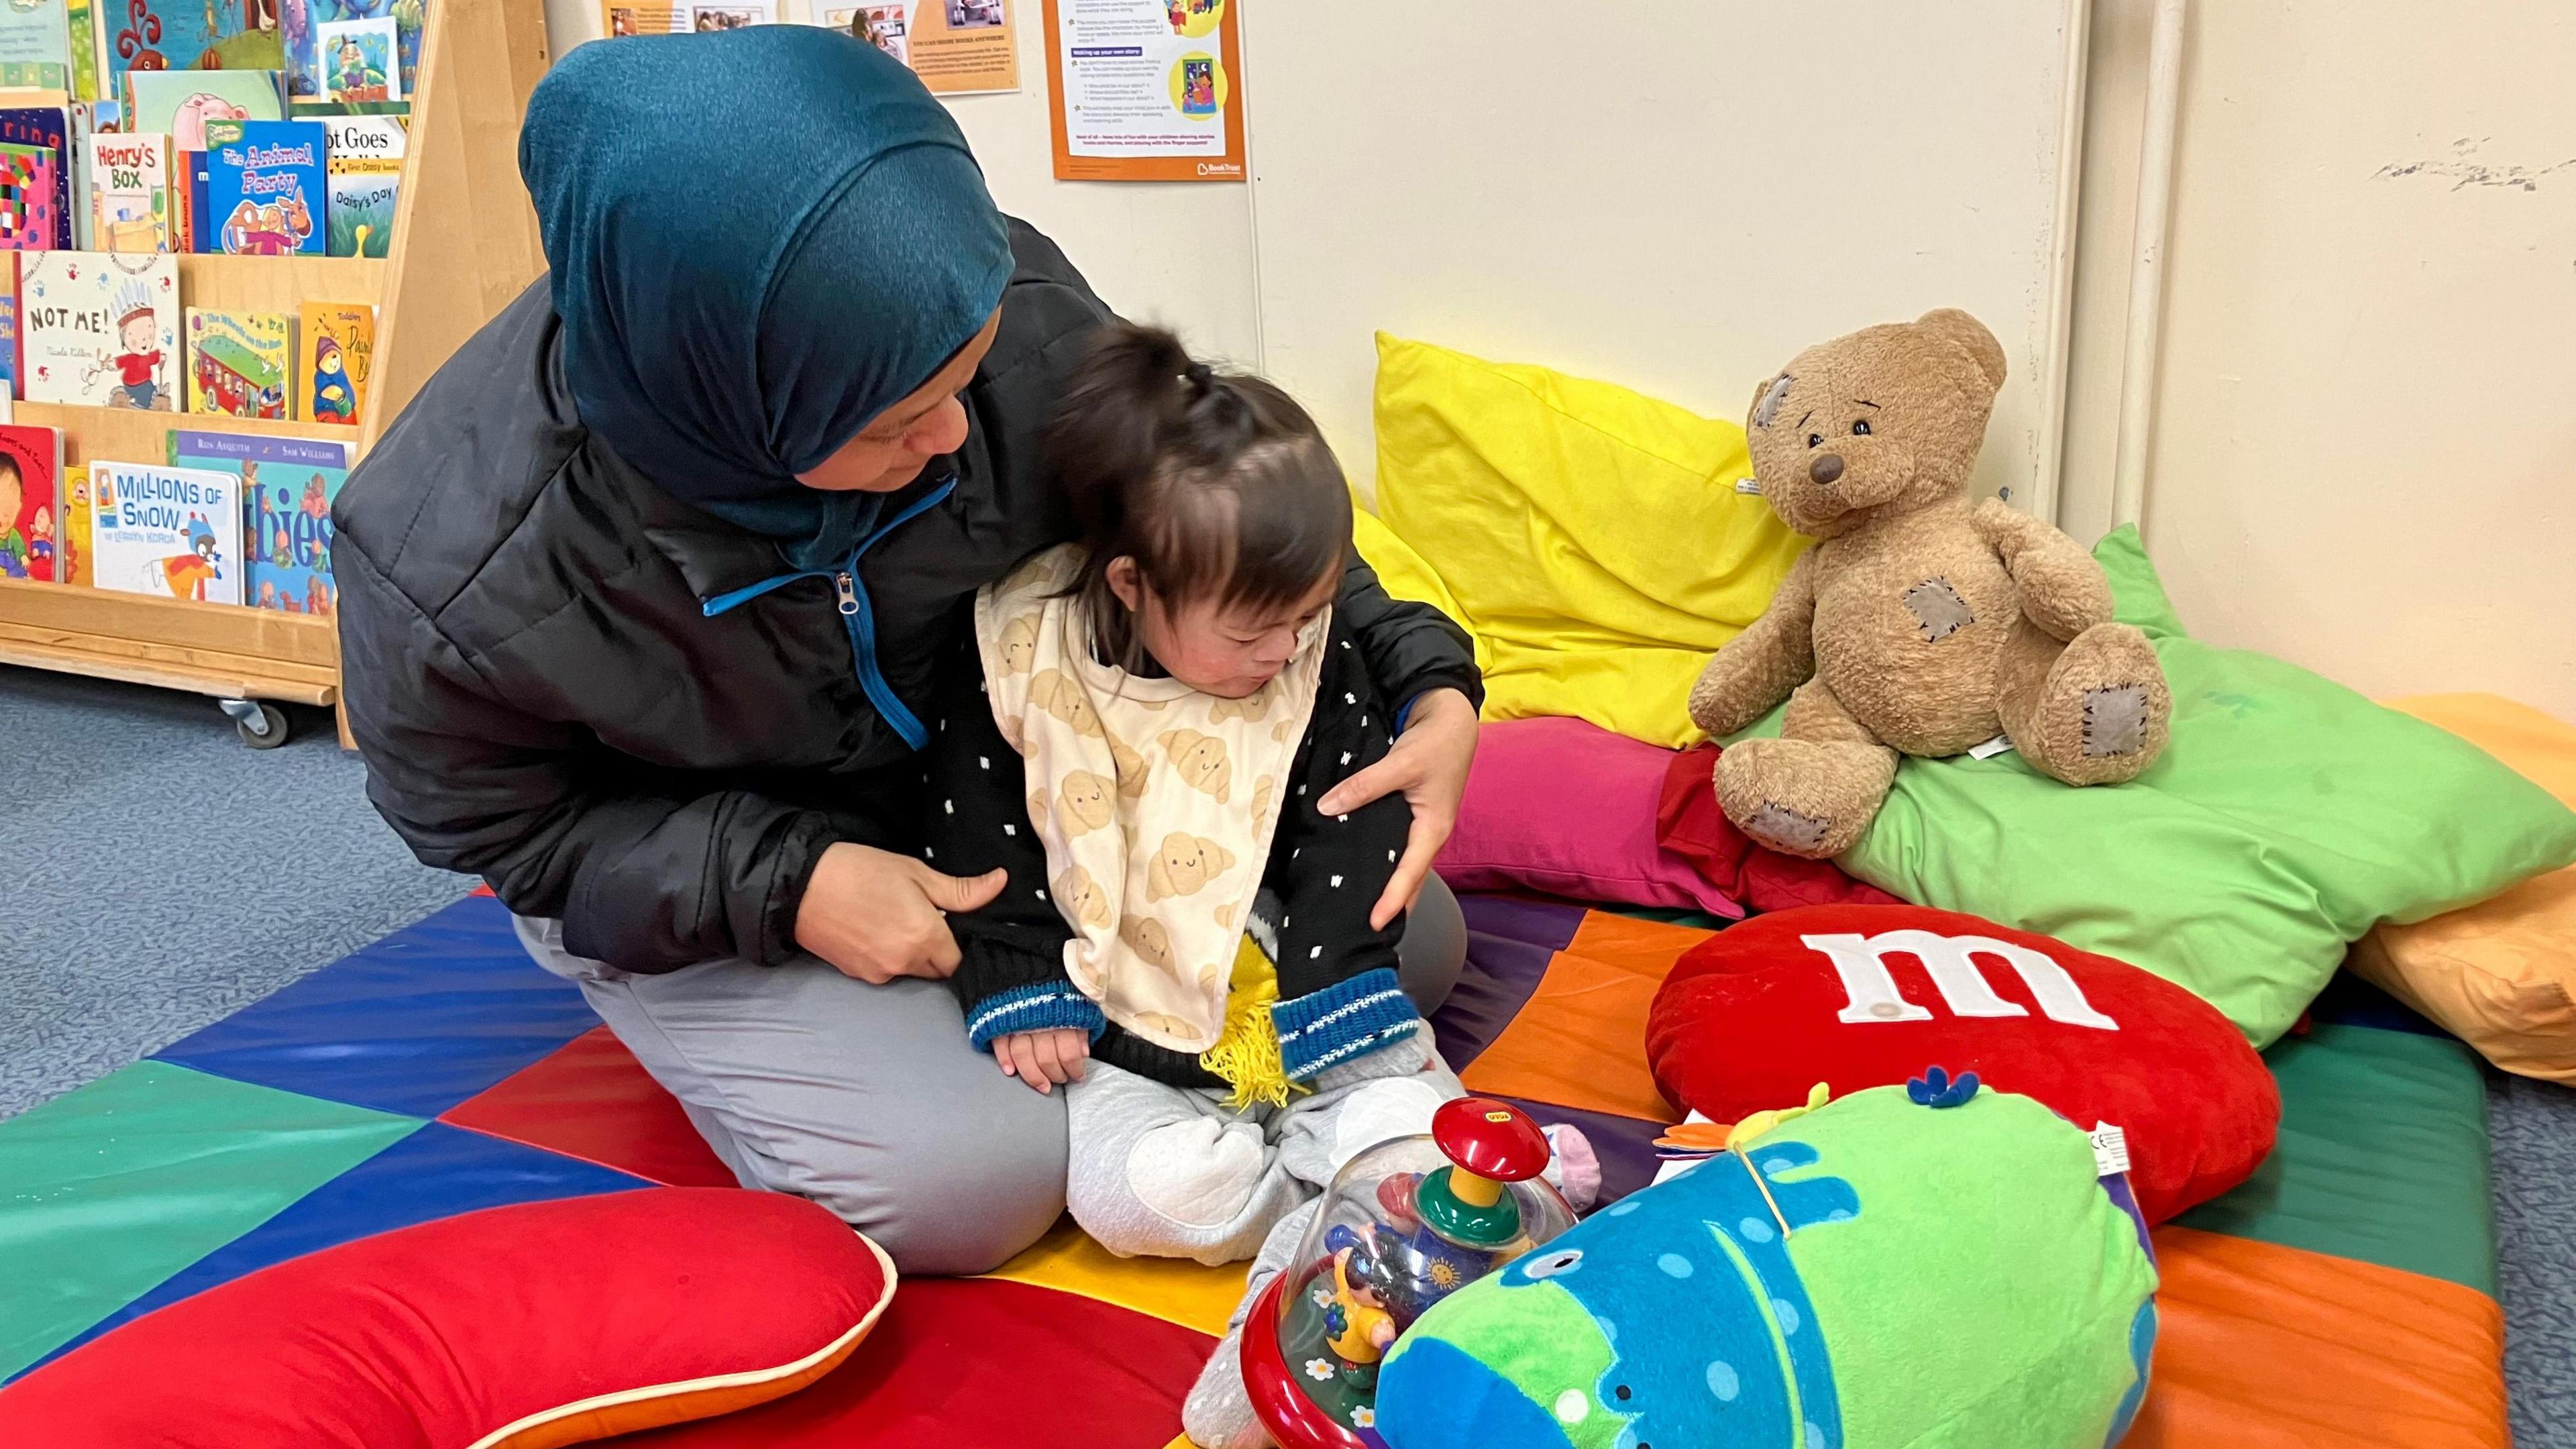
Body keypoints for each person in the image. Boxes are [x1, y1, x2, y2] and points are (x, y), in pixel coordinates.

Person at [330, 27, 1484, 1277]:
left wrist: (1422, 670)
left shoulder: (1000, 306)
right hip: (718, 850)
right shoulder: (448, 562)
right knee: (967, 1184)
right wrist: (790, 882)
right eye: (893, 422)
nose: (950, 435)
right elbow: (504, 831)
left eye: (967, 380)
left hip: (996, 785)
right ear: (737, 413)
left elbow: (1215, 512)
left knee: (1408, 944)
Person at [926, 325, 1566, 1447]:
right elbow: (979, 828)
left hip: (1301, 994)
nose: (1286, 648)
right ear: (1133, 584)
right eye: (1252, 628)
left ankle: (1358, 1185)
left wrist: (1344, 1002)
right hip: (1134, 1033)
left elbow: (1350, 826)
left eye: (1307, 616)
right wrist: (1018, 976)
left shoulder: (1313, 659)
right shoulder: (1022, 659)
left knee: (1408, 1121)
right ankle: (1337, 1210)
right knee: (1144, 1199)